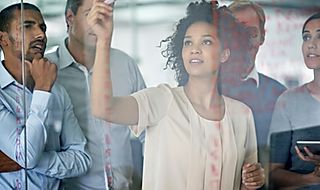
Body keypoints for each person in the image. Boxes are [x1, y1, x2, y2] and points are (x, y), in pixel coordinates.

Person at [90, 0, 265, 189]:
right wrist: (103, 41)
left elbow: (245, 182)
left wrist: (253, 181)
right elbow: (103, 108)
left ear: (225, 54)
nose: (194, 49)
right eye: (188, 42)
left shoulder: (242, 114)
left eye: (206, 41)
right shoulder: (162, 99)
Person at [45, 0, 146, 189]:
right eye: (91, 14)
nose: (99, 22)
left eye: (105, 14)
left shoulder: (125, 64)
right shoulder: (48, 70)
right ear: (69, 18)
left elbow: (146, 130)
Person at [0, 3, 91, 189]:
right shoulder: (46, 89)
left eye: (42, 28)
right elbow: (27, 156)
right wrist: (42, 90)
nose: (40, 34)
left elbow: (82, 159)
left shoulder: (56, 91)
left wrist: (25, 162)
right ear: (3, 39)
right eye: (27, 26)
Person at [220, 0, 287, 171]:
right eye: (236, 33)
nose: (243, 42)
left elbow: (283, 162)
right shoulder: (203, 90)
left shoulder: (280, 96)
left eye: (250, 34)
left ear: (262, 37)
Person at [269, 12, 320, 189]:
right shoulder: (288, 101)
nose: (311, 44)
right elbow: (274, 173)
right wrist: (310, 179)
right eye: (306, 37)